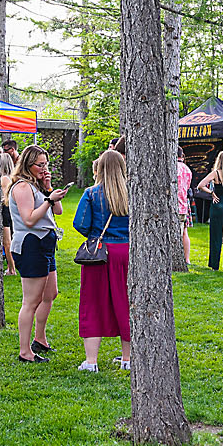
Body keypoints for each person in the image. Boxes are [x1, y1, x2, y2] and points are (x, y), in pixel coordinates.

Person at [73, 150, 131, 373]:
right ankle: (127, 359)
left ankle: (91, 361)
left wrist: (96, 232)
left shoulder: (91, 193)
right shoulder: (132, 193)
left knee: (93, 304)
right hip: (126, 252)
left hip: (100, 253)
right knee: (126, 303)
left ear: (100, 168)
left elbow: (80, 224)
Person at [10, 145, 66, 363]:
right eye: (40, 165)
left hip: (45, 244)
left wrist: (49, 188)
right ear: (28, 164)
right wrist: (49, 200)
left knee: (50, 293)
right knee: (31, 301)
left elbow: (58, 211)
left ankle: (39, 339)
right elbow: (30, 219)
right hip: (30, 244)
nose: (44, 168)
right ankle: (25, 352)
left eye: (46, 164)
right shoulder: (22, 187)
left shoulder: (37, 186)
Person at [0, 149, 17, 277]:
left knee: (7, 242)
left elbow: (6, 197)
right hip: (8, 210)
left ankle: (12, 268)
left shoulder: (4, 178)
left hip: (5, 211)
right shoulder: (11, 178)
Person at [174, 148, 194, 266]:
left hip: (174, 205)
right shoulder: (187, 169)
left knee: (175, 233)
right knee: (184, 232)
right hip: (184, 204)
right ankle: (187, 258)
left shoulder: (172, 167)